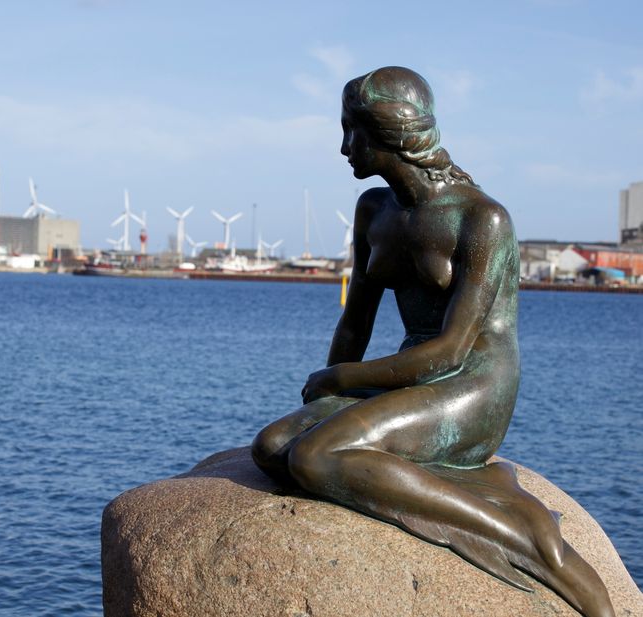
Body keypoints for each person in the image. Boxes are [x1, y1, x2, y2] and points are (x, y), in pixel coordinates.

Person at [251, 67, 613, 617]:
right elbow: (356, 321)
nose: (345, 147)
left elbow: (451, 350)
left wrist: (340, 380)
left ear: (391, 132)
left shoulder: (482, 218)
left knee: (318, 454)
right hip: (411, 373)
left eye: (354, 131)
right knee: (274, 446)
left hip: (473, 382)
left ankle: (537, 545)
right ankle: (453, 482)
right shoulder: (374, 210)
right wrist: (324, 395)